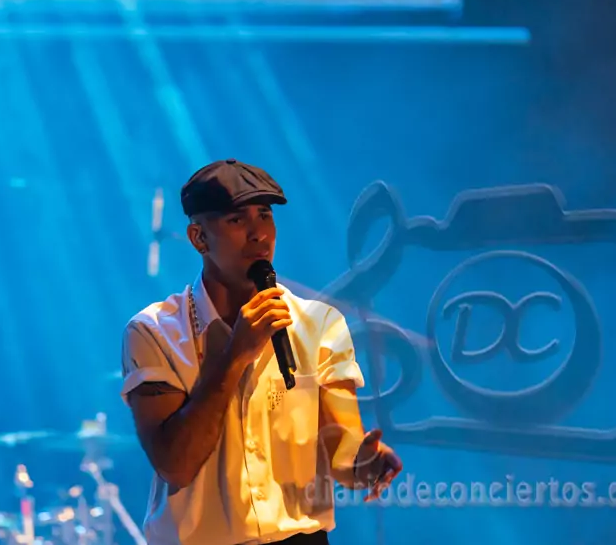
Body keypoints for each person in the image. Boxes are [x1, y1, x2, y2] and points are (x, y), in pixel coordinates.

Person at [120, 159, 403, 545]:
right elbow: (176, 465)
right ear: (199, 238)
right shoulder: (153, 331)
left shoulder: (320, 324)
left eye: (265, 216)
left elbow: (340, 447)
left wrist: (363, 464)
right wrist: (235, 353)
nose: (259, 234)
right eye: (237, 220)